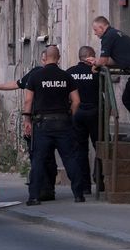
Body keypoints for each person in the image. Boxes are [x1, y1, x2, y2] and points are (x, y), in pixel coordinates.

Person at [0, 52, 57, 202]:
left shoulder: (46, 74)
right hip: (46, 121)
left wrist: (27, 120)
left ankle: (44, 189)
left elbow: (27, 99)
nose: (45, 61)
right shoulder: (39, 73)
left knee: (40, 157)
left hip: (39, 121)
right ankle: (47, 188)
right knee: (45, 157)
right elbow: (17, 84)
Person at [23, 45, 85, 205]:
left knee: (38, 160)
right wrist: (70, 115)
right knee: (70, 158)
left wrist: (27, 121)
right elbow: (77, 101)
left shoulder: (35, 77)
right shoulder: (66, 77)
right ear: (58, 58)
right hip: (63, 122)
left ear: (45, 58)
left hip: (42, 124)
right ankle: (79, 194)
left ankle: (34, 197)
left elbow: (28, 101)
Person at [66, 46, 102, 195]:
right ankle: (100, 182)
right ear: (91, 56)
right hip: (95, 113)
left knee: (80, 150)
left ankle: (85, 186)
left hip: (76, 113)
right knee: (100, 146)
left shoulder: (70, 73)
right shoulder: (97, 72)